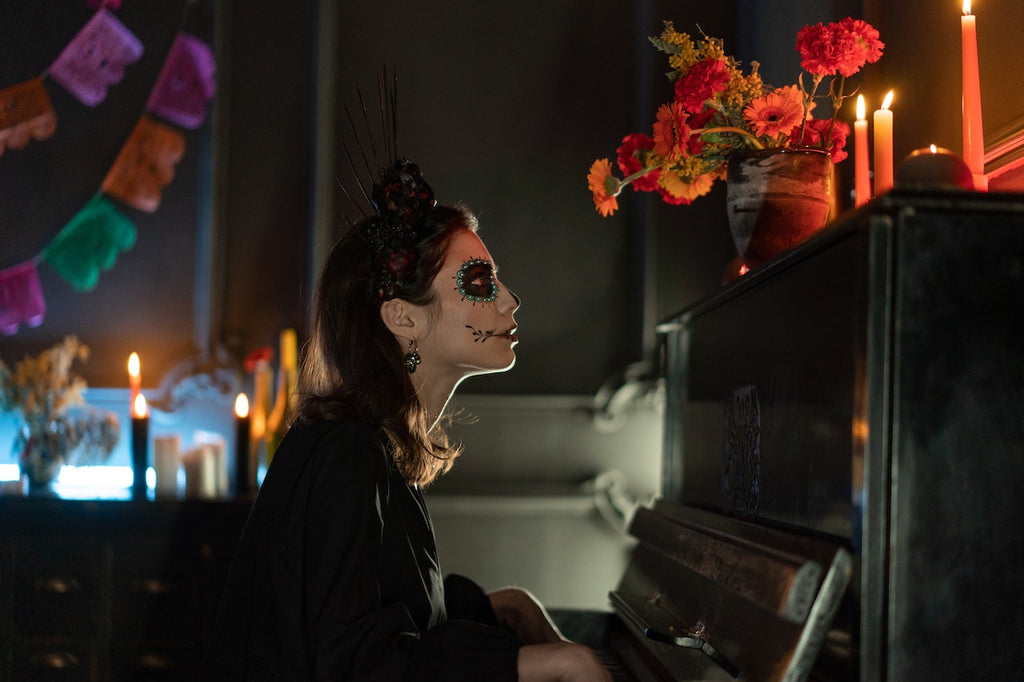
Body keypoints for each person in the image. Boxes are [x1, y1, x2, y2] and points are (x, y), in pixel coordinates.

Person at [201, 155, 612, 681]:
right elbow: (355, 667)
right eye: (481, 283)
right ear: (402, 316)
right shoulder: (346, 451)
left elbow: (389, 601)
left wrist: (503, 608)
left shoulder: (373, 443)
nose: (510, 301)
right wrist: (550, 660)